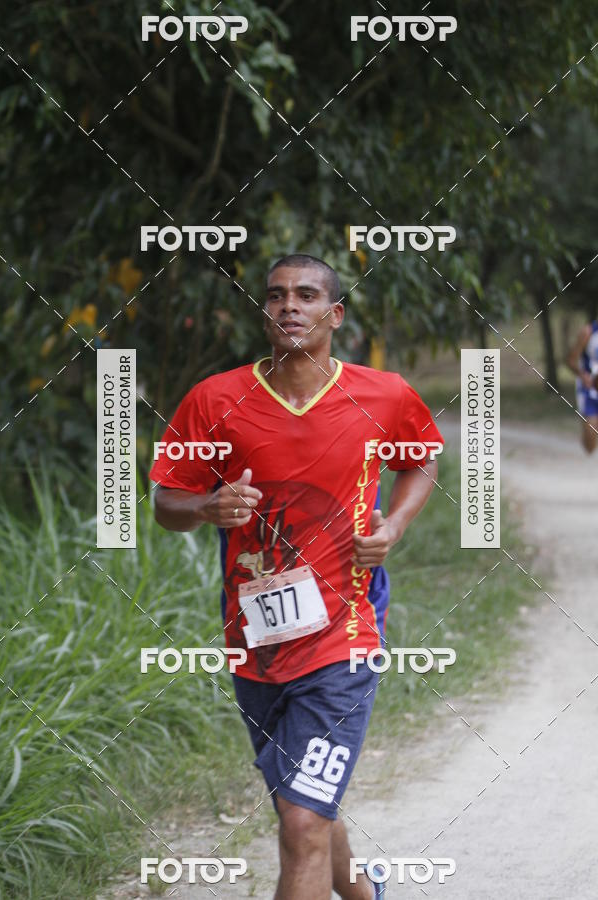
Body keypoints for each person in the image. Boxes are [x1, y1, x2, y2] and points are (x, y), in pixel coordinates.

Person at [149, 253, 443, 899]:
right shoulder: (216, 400)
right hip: (257, 639)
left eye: (307, 296)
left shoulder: (383, 394)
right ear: (264, 313)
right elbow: (165, 499)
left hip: (347, 634)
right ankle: (366, 892)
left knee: (303, 819)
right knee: (300, 804)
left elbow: (421, 460)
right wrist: (205, 506)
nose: (290, 306)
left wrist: (392, 527)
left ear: (334, 315)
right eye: (277, 295)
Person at [566, 317, 598, 453]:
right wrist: (582, 374)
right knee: (589, 447)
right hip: (590, 390)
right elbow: (571, 361)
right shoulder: (588, 333)